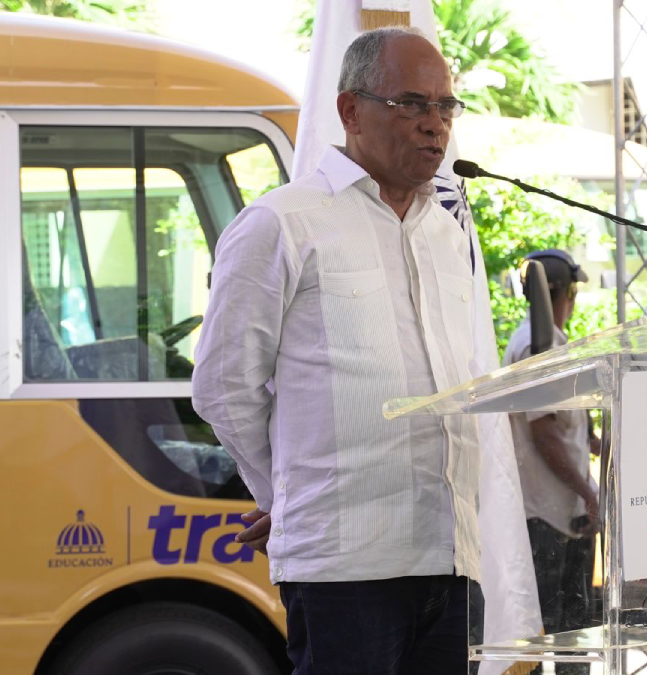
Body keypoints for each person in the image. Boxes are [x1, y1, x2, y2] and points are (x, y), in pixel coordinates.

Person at [191, 28, 481, 675]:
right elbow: (222, 386)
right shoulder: (283, 223)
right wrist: (283, 491)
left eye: (445, 107)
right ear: (351, 111)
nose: (435, 126)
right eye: (413, 104)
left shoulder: (445, 230)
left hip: (450, 553)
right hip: (348, 566)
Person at [502, 250, 601, 674]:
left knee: (573, 635)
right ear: (560, 293)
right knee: (549, 635)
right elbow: (543, 435)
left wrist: (595, 439)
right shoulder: (535, 345)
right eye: (573, 293)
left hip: (566, 511)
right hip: (544, 512)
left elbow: (563, 422)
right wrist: (588, 491)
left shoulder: (555, 342)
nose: (574, 303)